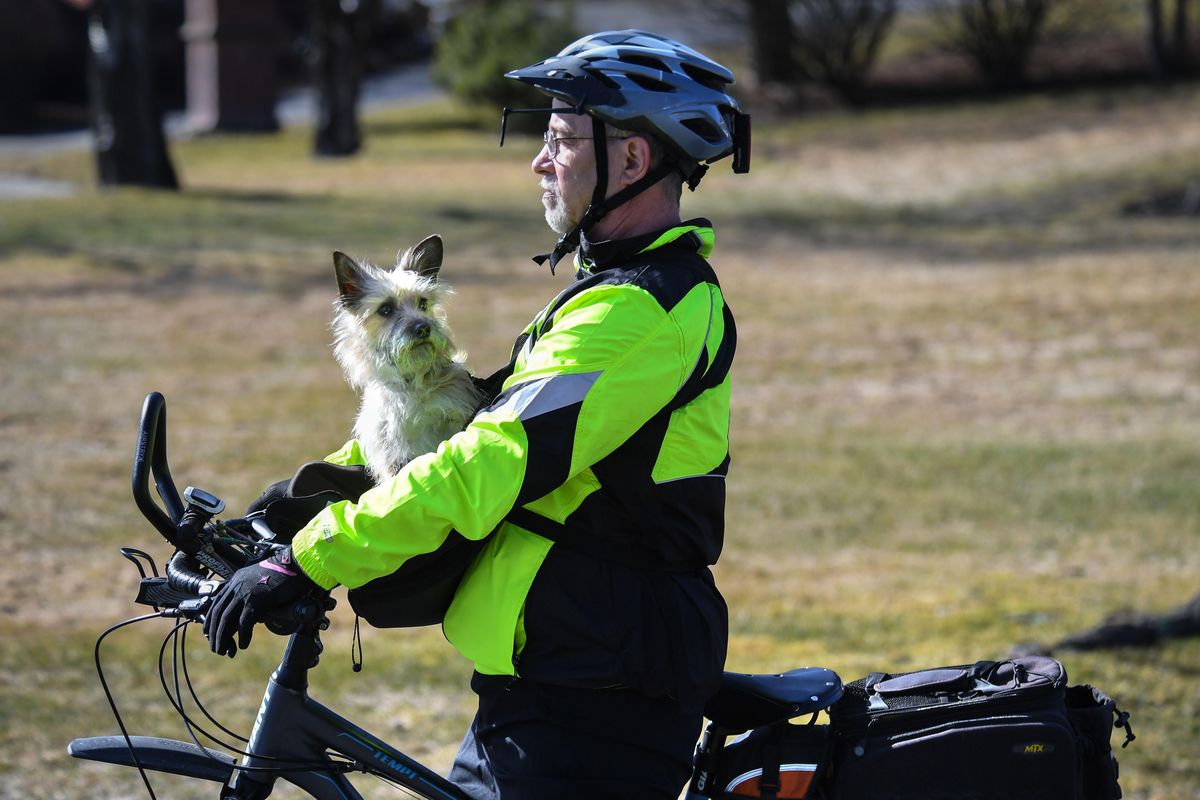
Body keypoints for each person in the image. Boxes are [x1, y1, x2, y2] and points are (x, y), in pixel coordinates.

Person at [200, 29, 750, 799]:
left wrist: (312, 556)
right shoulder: (613, 294)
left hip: (596, 694)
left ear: (632, 159)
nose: (539, 160)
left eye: (560, 138)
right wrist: (300, 505)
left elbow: (487, 460)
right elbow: (451, 426)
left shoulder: (641, 312)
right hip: (549, 676)